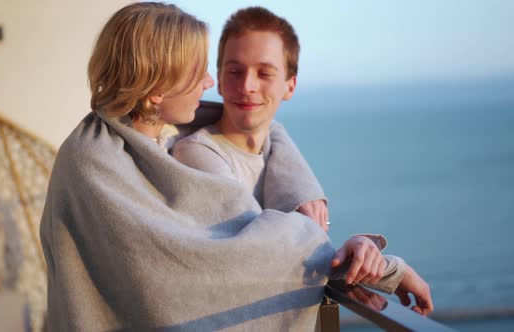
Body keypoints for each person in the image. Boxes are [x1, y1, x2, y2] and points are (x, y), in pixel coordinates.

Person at [40, 2, 430, 331]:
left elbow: (264, 132)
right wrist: (384, 268)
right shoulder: (98, 167)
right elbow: (232, 261)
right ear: (158, 86)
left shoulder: (123, 144)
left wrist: (298, 183)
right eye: (198, 72)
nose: (209, 82)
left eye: (265, 73)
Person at [172, 6, 433, 316]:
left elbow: (293, 245)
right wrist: (386, 269)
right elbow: (262, 252)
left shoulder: (274, 151)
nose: (247, 86)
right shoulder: (194, 153)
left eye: (264, 73)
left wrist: (355, 257)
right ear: (219, 79)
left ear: (290, 85)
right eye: (234, 71)